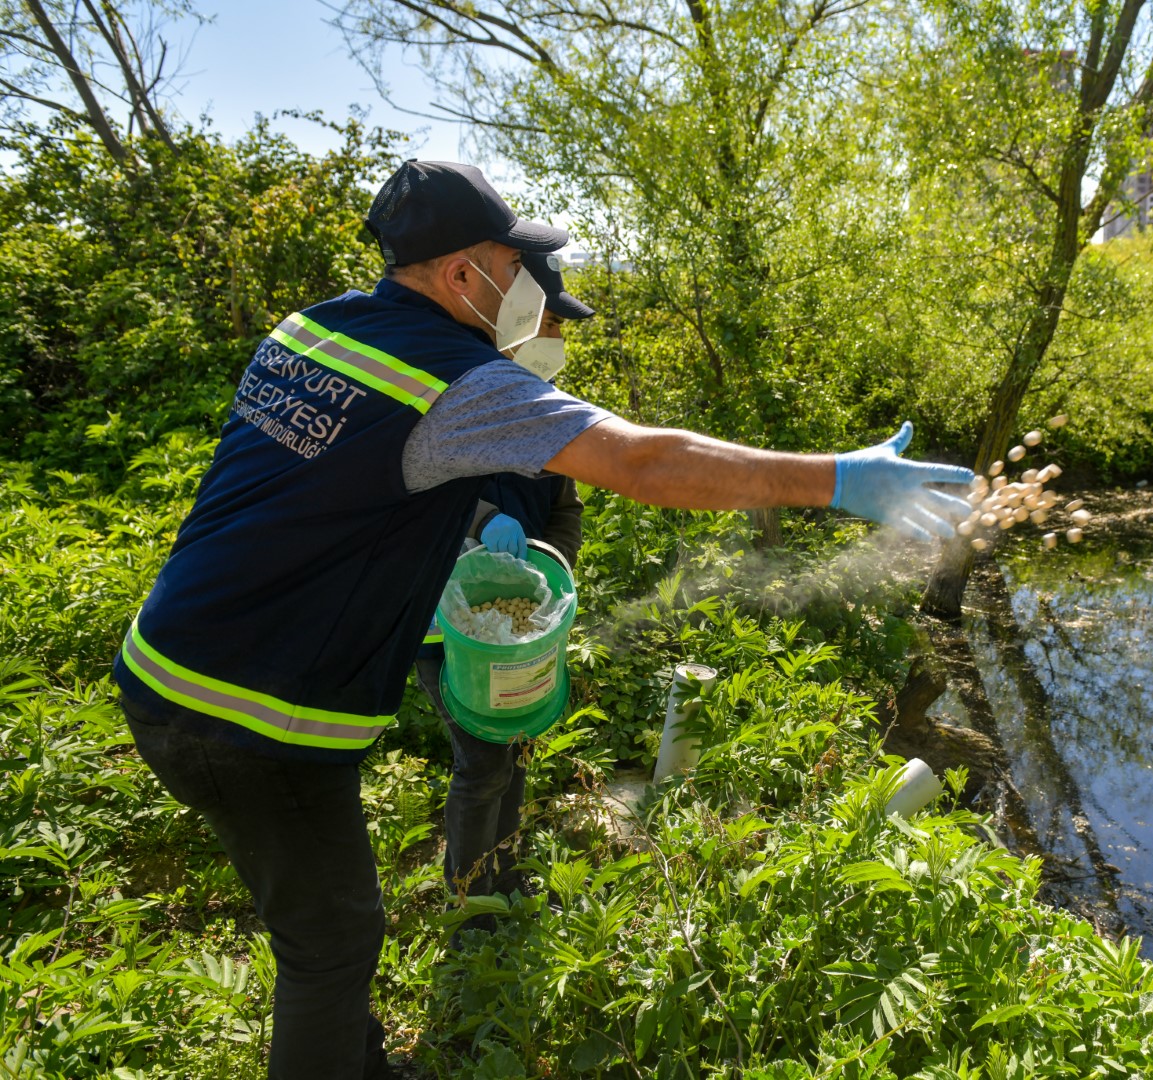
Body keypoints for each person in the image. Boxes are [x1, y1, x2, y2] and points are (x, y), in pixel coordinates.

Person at [112, 158, 972, 1080]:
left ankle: (360, 1061)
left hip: (172, 660)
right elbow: (643, 463)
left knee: (326, 921)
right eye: (511, 264)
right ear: (458, 275)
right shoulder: (453, 377)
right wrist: (837, 479)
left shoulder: (312, 329)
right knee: (332, 944)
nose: (526, 287)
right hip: (246, 708)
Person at [415, 250, 593, 921]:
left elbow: (565, 510)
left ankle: (506, 871)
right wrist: (484, 520)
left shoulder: (553, 414)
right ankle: (469, 896)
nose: (555, 340)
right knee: (485, 759)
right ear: (510, 319)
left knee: (513, 748)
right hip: (444, 627)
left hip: (516, 634)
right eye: (547, 322)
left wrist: (550, 567)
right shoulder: (455, 391)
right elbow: (418, 490)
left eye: (559, 328)